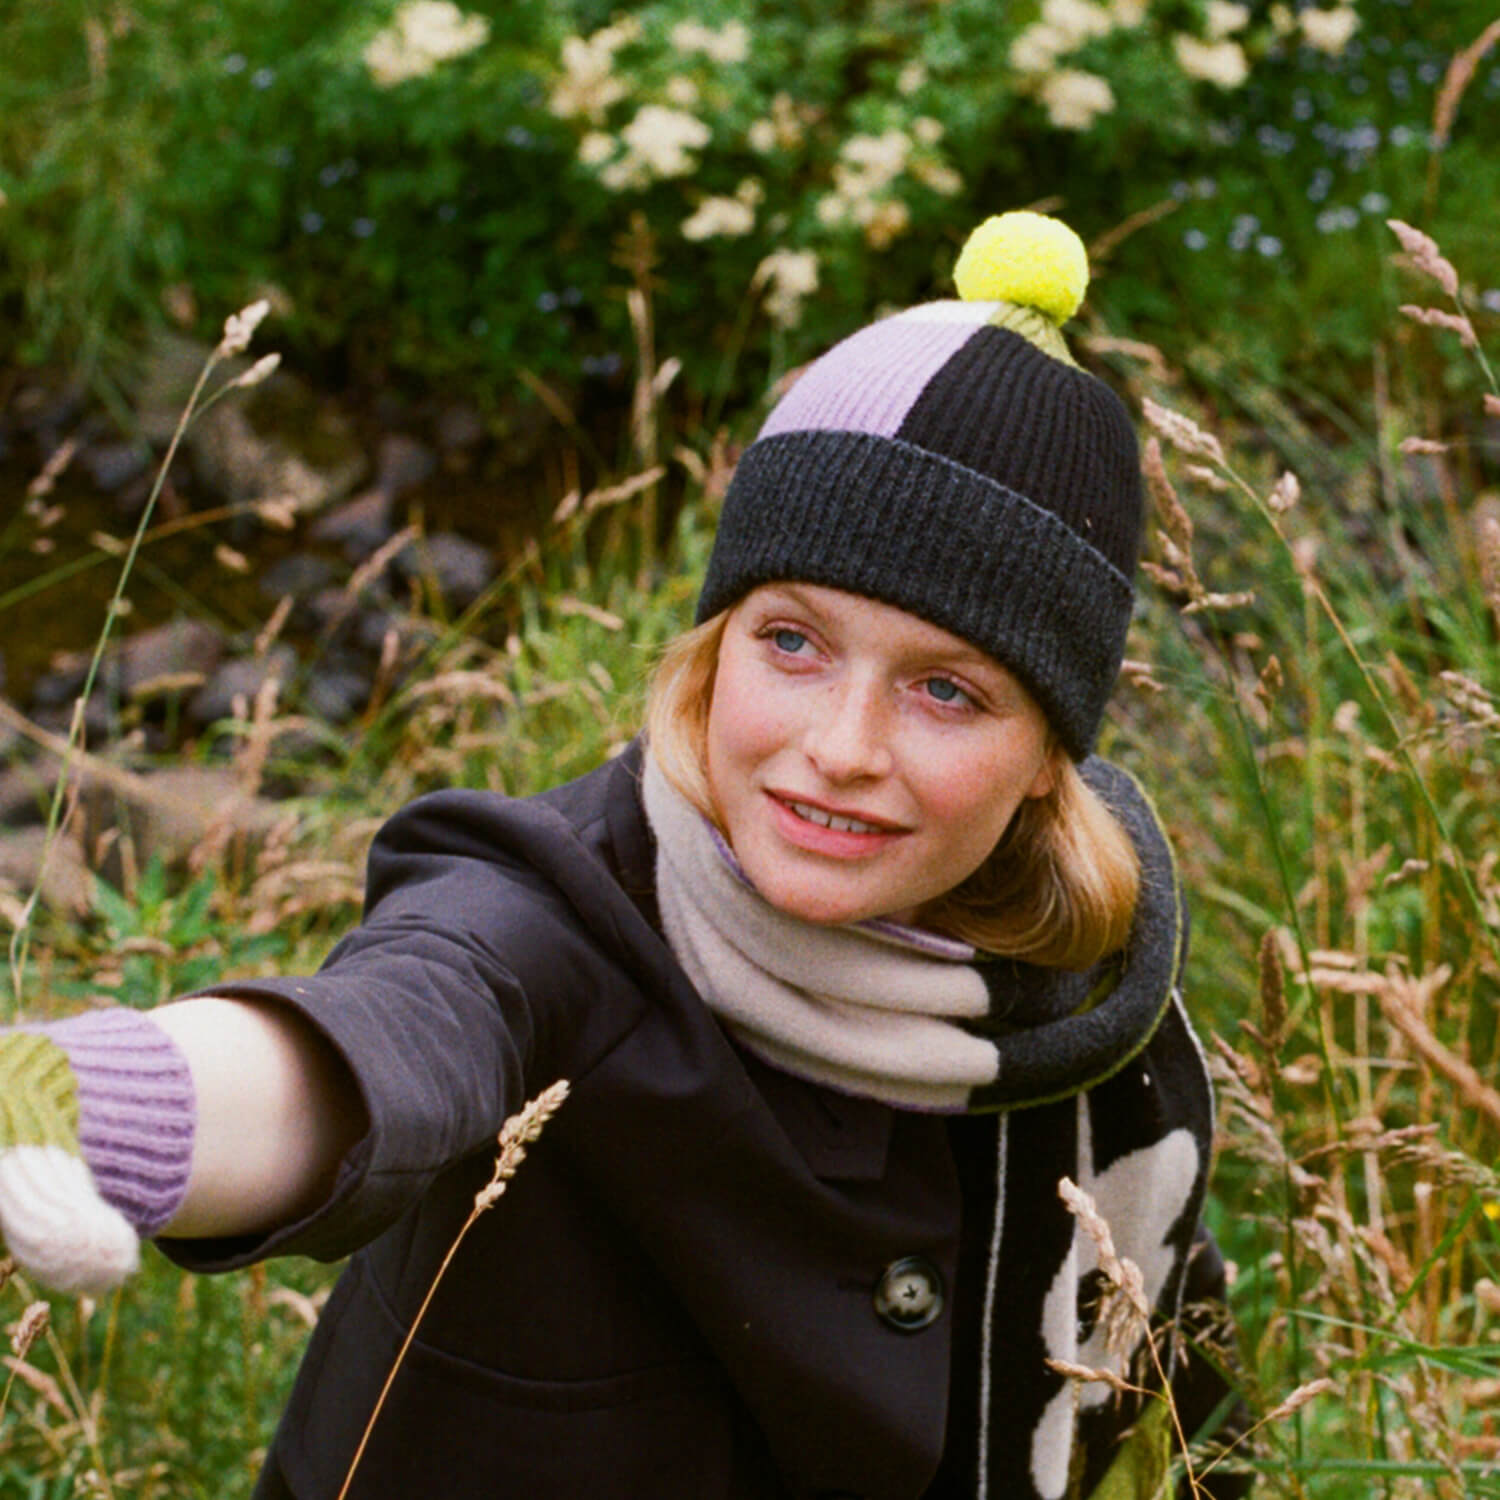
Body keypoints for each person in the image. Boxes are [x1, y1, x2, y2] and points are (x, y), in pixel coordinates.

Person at [0, 212, 1249, 1499]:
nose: (841, 747)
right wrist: (75, 1100)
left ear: (1052, 753)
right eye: (794, 643)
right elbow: (380, 1036)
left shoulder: (1100, 1003)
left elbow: (1172, 1379)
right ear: (716, 644)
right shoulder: (553, 914)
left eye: (945, 691)